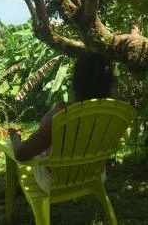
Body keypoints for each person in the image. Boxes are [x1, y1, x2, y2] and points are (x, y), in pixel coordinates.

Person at [8, 51, 115, 191]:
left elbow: (22, 154)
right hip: (95, 175)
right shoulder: (113, 113)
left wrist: (15, 138)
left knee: (15, 149)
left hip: (54, 180)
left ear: (77, 81)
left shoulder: (62, 114)